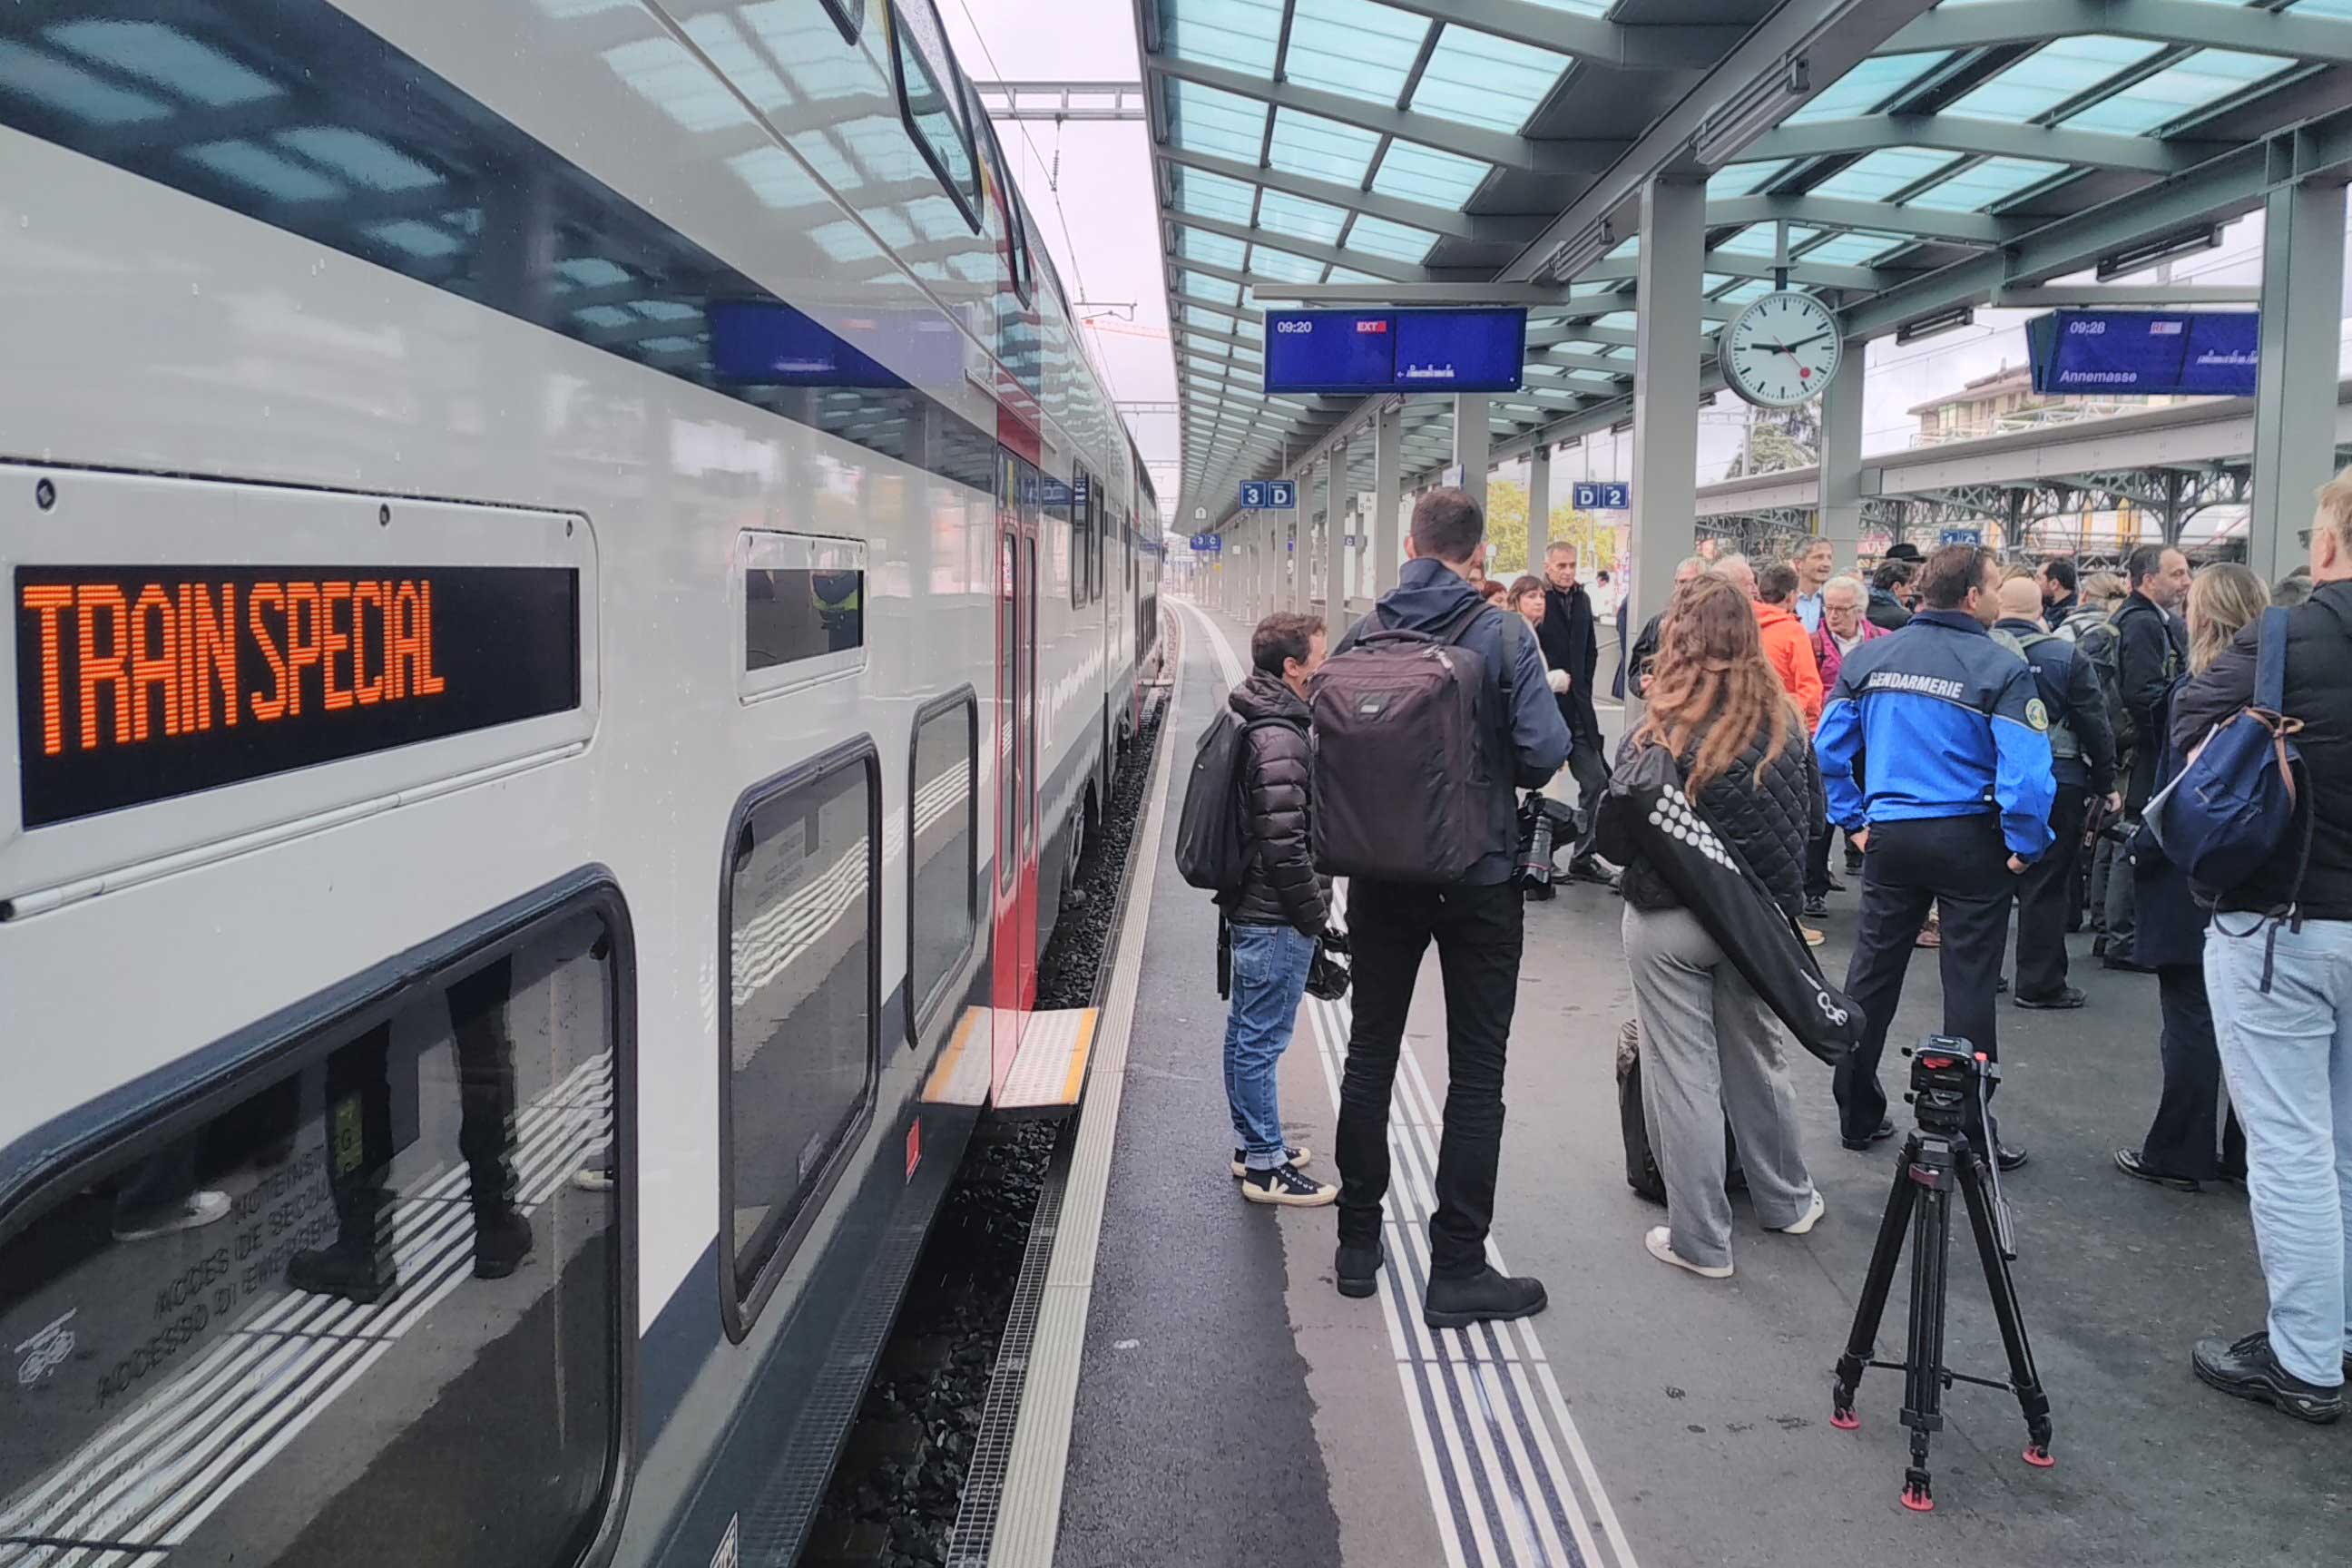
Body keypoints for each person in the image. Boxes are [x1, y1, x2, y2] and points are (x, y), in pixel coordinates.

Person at [1333, 488, 1571, 1327]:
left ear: (1410, 546)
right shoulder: (1503, 634)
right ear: (1478, 556)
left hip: (1378, 874)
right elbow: (1542, 754)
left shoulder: (1363, 631)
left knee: (1370, 1053)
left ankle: (1357, 1246)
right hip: (1479, 875)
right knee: (1476, 1073)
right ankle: (1458, 1269)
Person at [2171, 468, 2352, 1425]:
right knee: (2347, 1145)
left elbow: (2189, 729)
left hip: (2283, 925)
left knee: (2289, 1148)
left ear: (2327, 544)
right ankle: (2340, 1328)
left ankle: (2305, 1358)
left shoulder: (2284, 637)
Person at [1603, 575, 1826, 1279]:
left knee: (1682, 1074)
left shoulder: (1657, 728)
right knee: (1758, 1059)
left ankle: (1700, 1241)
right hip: (1758, 926)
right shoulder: (1787, 722)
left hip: (1668, 924)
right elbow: (1813, 824)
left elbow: (1613, 840)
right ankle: (1788, 1200)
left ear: (1678, 640)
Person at [1816, 544, 2054, 1168]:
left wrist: (1852, 821)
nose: (1998, 596)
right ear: (1973, 597)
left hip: (1891, 837)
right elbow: (2028, 779)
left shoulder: (1869, 658)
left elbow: (1828, 752)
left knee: (1871, 973)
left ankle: (1856, 1111)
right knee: (1969, 982)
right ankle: (1969, 1127)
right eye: (1995, 586)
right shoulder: (2000, 667)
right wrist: (2026, 846)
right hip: (1970, 838)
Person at [2116, 564, 2260, 1195]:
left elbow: (2177, 792)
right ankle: (2244, 1153)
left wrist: (2141, 851)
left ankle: (2180, 1150)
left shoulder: (2195, 691)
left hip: (2191, 867)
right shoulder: (2283, 686)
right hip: (2263, 868)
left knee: (2191, 1016)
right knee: (2254, 1025)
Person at [1216, 612, 1339, 1206]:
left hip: (1255, 909)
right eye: (1320, 655)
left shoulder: (1259, 716)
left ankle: (1253, 1146)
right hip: (1275, 916)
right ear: (1292, 666)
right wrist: (1314, 915)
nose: (1325, 665)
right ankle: (1266, 1165)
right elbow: (1285, 844)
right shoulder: (1282, 738)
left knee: (1246, 1033)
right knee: (1260, 1042)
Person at [1991, 576, 2118, 1009]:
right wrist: (2105, 782)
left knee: (1985, 879)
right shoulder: (2065, 656)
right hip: (2058, 779)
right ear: (2040, 610)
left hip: (1989, 778)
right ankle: (2039, 982)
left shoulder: (1978, 652)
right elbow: (2095, 723)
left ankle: (1981, 970)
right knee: (2046, 883)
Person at [2103, 544, 2192, 971]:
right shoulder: (2144, 624)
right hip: (2143, 748)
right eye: (2177, 574)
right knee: (2134, 836)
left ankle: (2111, 932)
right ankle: (2122, 938)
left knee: (2119, 835)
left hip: (2127, 745)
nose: (2186, 582)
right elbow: (2144, 693)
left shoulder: (2134, 619)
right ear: (2148, 579)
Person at [1803, 574, 1885, 916]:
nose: (1833, 616)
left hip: (1872, 738)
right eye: (1829, 608)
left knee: (1872, 804)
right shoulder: (1812, 643)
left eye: (1841, 609)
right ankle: (1813, 887)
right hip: (1827, 737)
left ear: (1859, 610)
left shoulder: (1884, 641)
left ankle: (1874, 880)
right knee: (1822, 815)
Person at [1536, 542, 1612, 879]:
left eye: (1572, 565)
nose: (1567, 571)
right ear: (1548, 566)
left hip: (1578, 708)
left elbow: (1590, 650)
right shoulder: (1539, 599)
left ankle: (1582, 856)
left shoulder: (1582, 600)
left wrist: (1583, 687)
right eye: (1561, 565)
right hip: (1545, 708)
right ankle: (1539, 854)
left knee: (1596, 780)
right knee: (1536, 782)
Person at [1743, 559, 1825, 729]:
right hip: (1787, 722)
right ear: (1791, 596)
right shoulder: (1793, 631)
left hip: (1749, 719)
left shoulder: (1743, 623)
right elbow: (1810, 687)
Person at [1627, 555, 1706, 699]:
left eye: (1693, 582)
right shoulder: (1656, 623)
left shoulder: (1715, 625)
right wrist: (1641, 684)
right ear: (1675, 584)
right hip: (1663, 706)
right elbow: (1636, 669)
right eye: (1682, 582)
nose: (1685, 588)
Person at [1792, 538, 1836, 634]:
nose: (1827, 564)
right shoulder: (1782, 600)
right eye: (1819, 557)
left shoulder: (1835, 600)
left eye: (1829, 558)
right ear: (1799, 563)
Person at [1867, 558, 1916, 631]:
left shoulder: (1860, 609)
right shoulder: (1903, 619)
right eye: (1911, 588)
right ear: (1896, 587)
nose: (1911, 594)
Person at [2038, 557, 2081, 630]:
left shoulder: (2071, 615)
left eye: (2038, 578)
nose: (2034, 582)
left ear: (2054, 584)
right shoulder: (2047, 605)